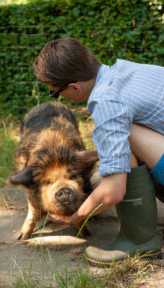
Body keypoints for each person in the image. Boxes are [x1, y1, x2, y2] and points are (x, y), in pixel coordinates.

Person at [33, 37, 164, 265]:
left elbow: (114, 192)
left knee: (124, 137)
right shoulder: (130, 71)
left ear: (73, 87)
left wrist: (78, 216)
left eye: (55, 93)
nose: (57, 97)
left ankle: (139, 241)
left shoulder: (106, 102)